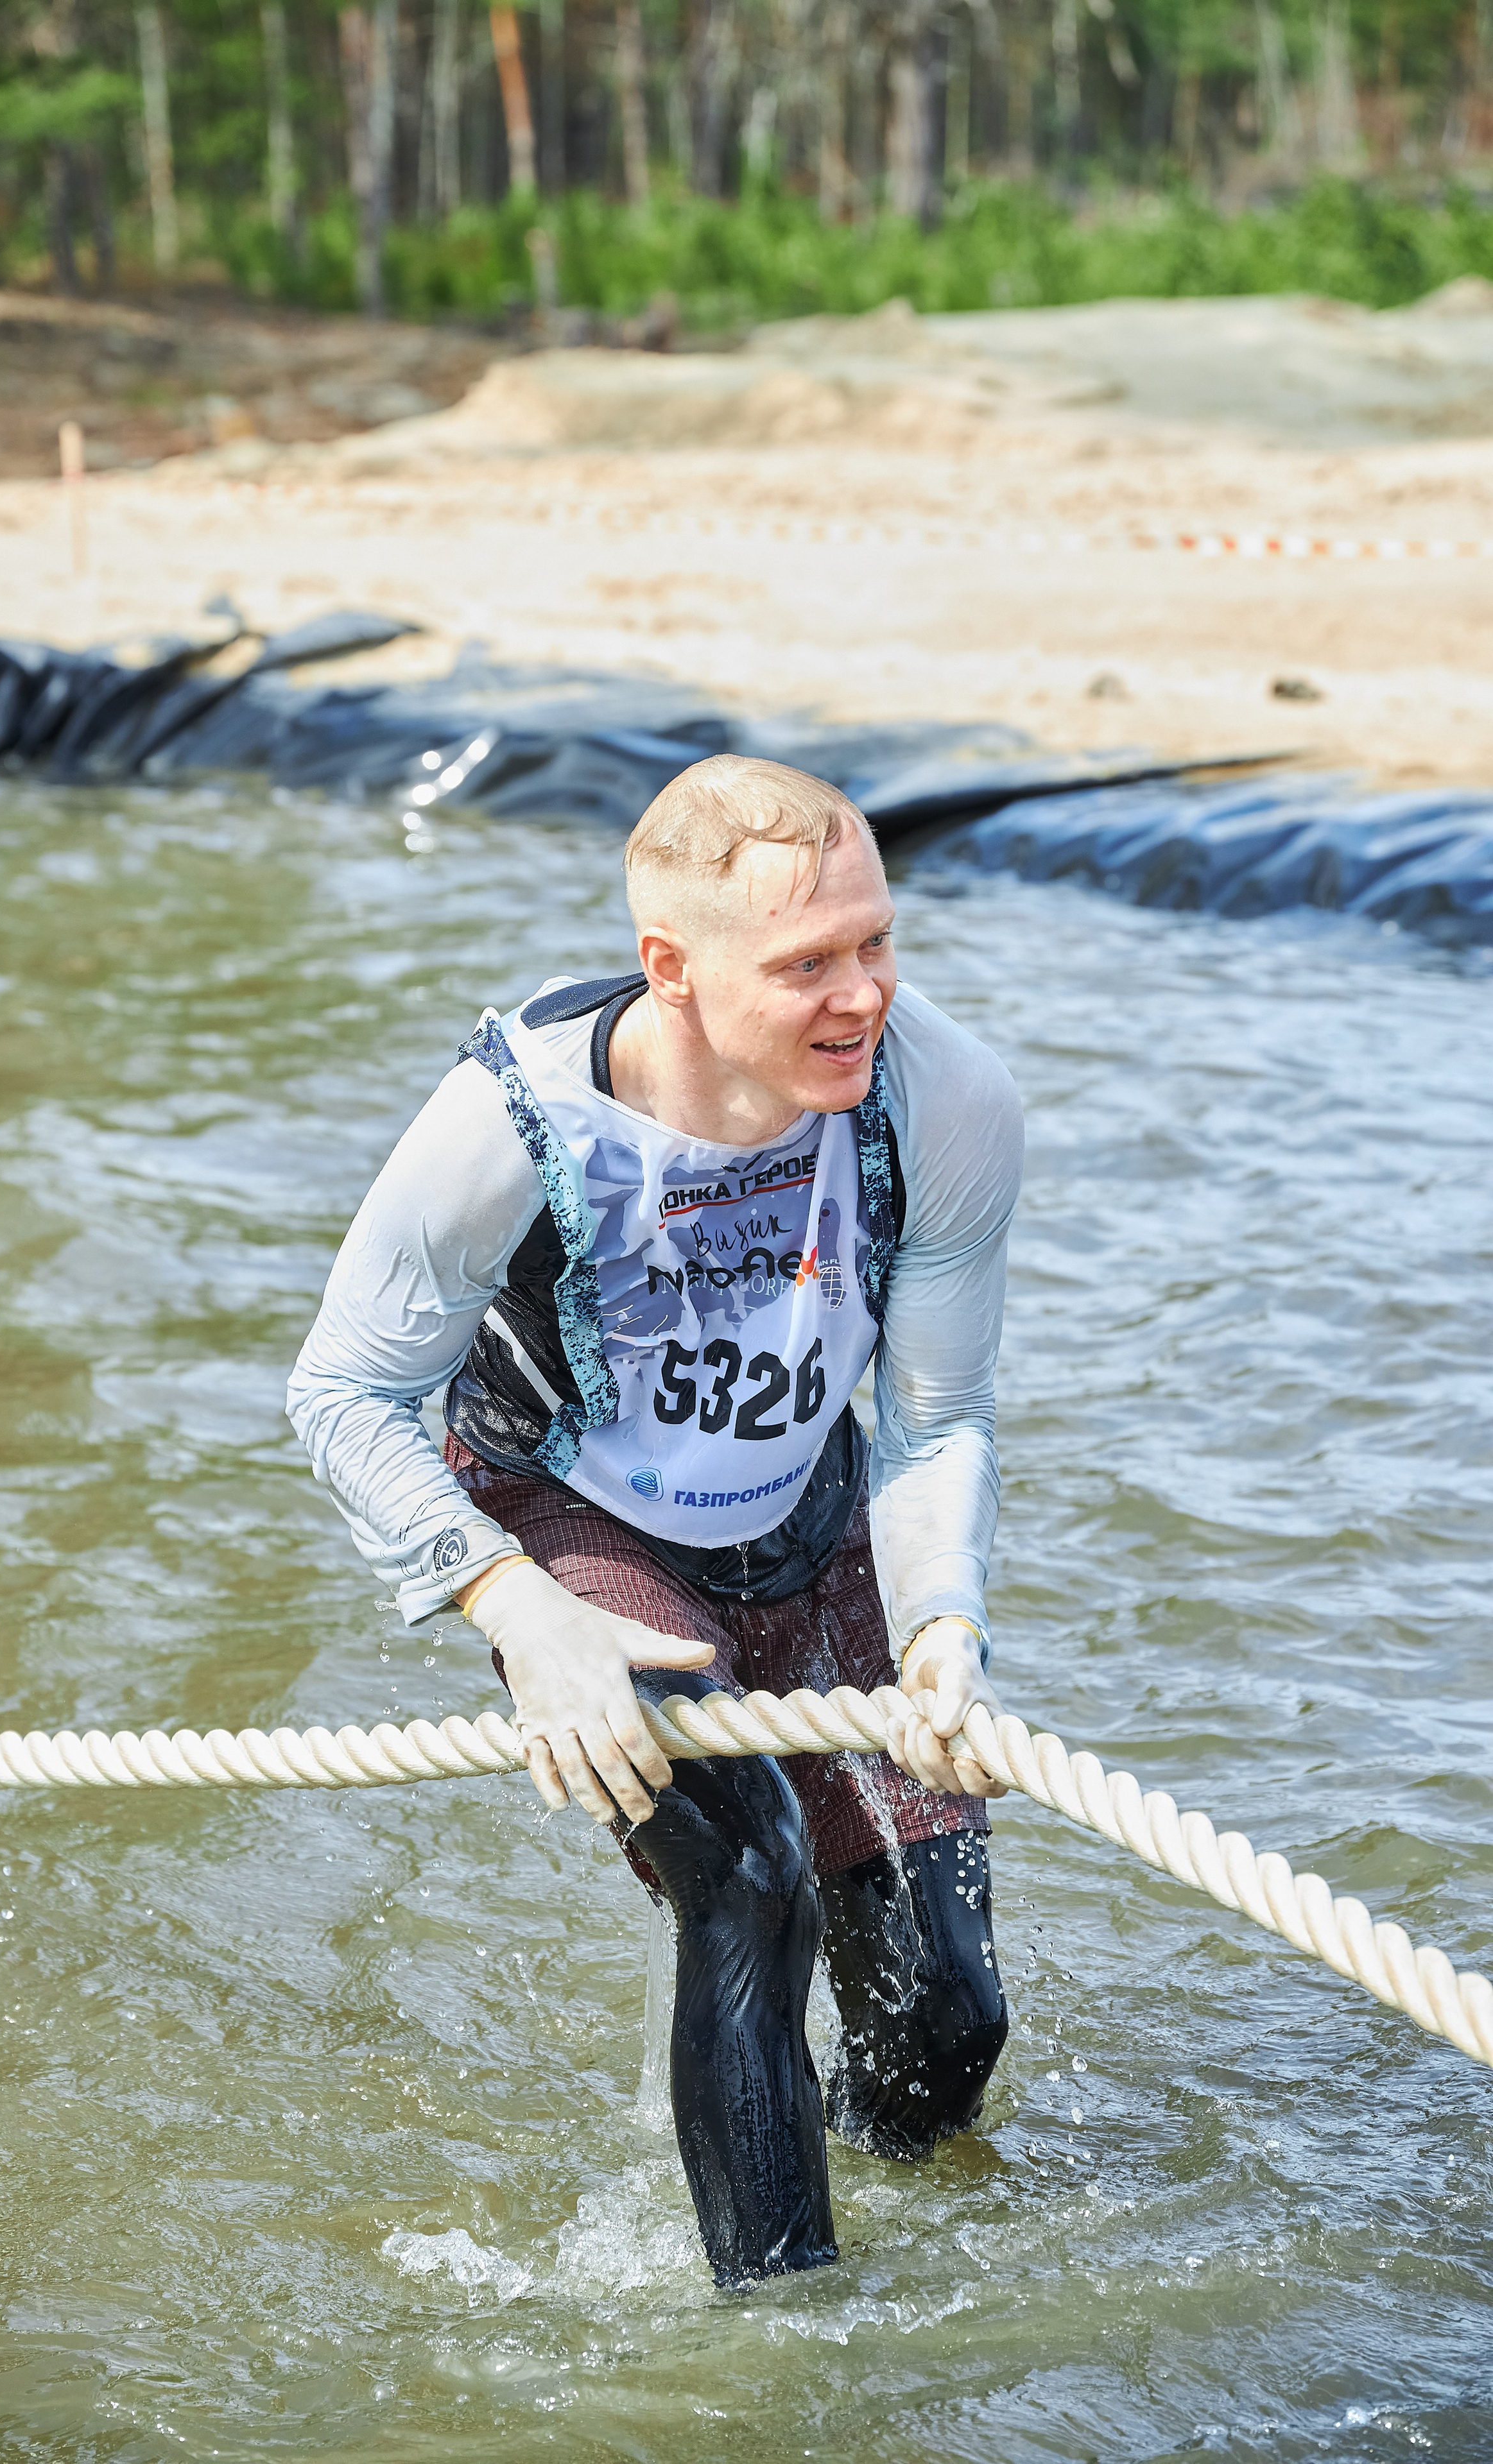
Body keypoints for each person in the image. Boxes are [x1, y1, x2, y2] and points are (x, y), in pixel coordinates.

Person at [287, 755, 1024, 2286]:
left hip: (811, 1522)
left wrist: (943, 1624)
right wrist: (511, 1606)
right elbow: (344, 1390)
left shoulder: (942, 1097)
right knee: (748, 1885)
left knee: (951, 2015)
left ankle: (876, 2214)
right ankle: (792, 2344)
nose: (861, 996)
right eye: (805, 964)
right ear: (670, 972)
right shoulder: (513, 1119)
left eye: (877, 942)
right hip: (575, 1529)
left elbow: (935, 1417)